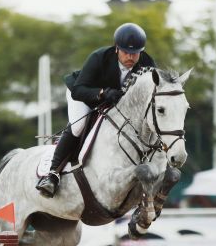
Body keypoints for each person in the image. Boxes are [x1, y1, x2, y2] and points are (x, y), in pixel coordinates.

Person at [36, 22, 157, 197]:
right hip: (84, 94)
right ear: (117, 48)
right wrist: (102, 93)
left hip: (116, 102)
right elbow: (79, 90)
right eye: (126, 52)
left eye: (135, 53)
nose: (131, 57)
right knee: (79, 126)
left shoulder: (147, 63)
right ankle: (52, 175)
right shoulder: (99, 57)